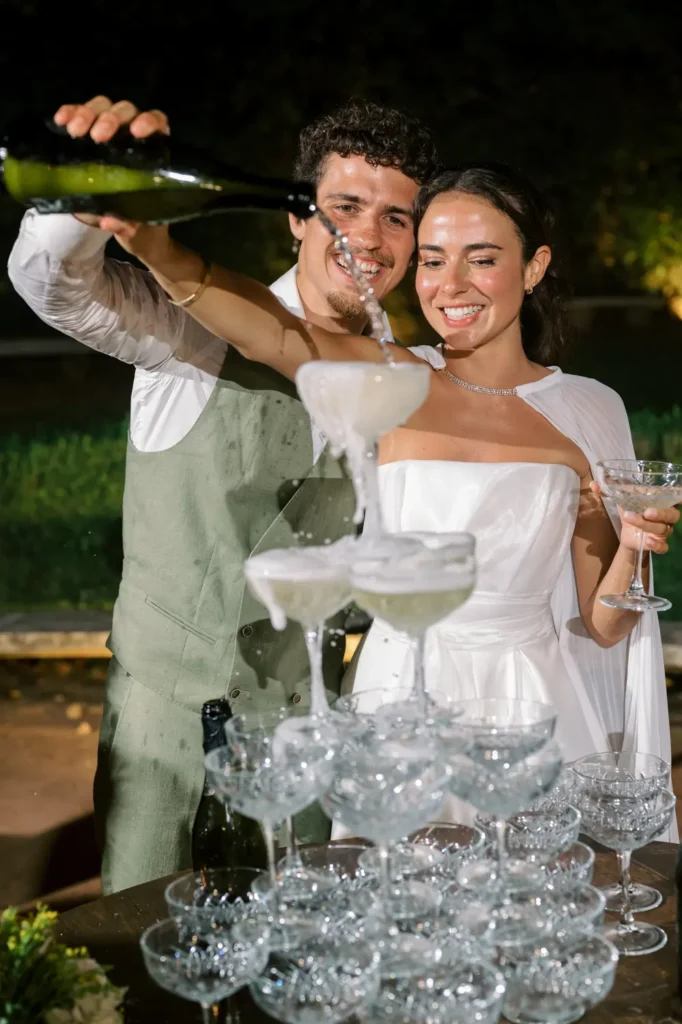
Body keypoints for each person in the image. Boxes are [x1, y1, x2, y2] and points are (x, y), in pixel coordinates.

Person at [103, 161, 679, 838]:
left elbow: (606, 624)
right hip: (401, 693)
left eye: (482, 259)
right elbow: (274, 334)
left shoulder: (586, 410)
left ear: (534, 266)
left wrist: (636, 547)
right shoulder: (398, 379)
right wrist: (149, 242)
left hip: (533, 705)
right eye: (432, 260)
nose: (450, 285)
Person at [7, 95, 440, 893]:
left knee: (292, 965)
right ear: (297, 220)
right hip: (163, 727)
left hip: (305, 737)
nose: (369, 239)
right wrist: (89, 184)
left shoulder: (403, 382)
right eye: (344, 207)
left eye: (397, 218)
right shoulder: (190, 328)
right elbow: (53, 283)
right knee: (145, 958)